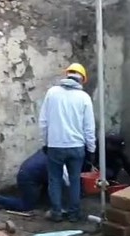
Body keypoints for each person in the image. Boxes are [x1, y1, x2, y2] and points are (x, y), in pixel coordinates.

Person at [39, 63, 96, 222]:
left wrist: (45, 142)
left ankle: (56, 213)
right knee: (75, 179)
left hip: (55, 146)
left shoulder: (52, 93)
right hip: (77, 146)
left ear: (67, 75)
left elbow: (43, 121)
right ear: (82, 80)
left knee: (55, 180)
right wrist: (91, 149)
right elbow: (89, 127)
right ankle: (74, 214)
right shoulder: (84, 98)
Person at [0, 149, 70, 213]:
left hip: (29, 174)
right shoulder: (54, 161)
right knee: (26, 205)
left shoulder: (49, 152)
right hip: (28, 179)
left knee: (50, 183)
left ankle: (46, 202)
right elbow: (62, 181)